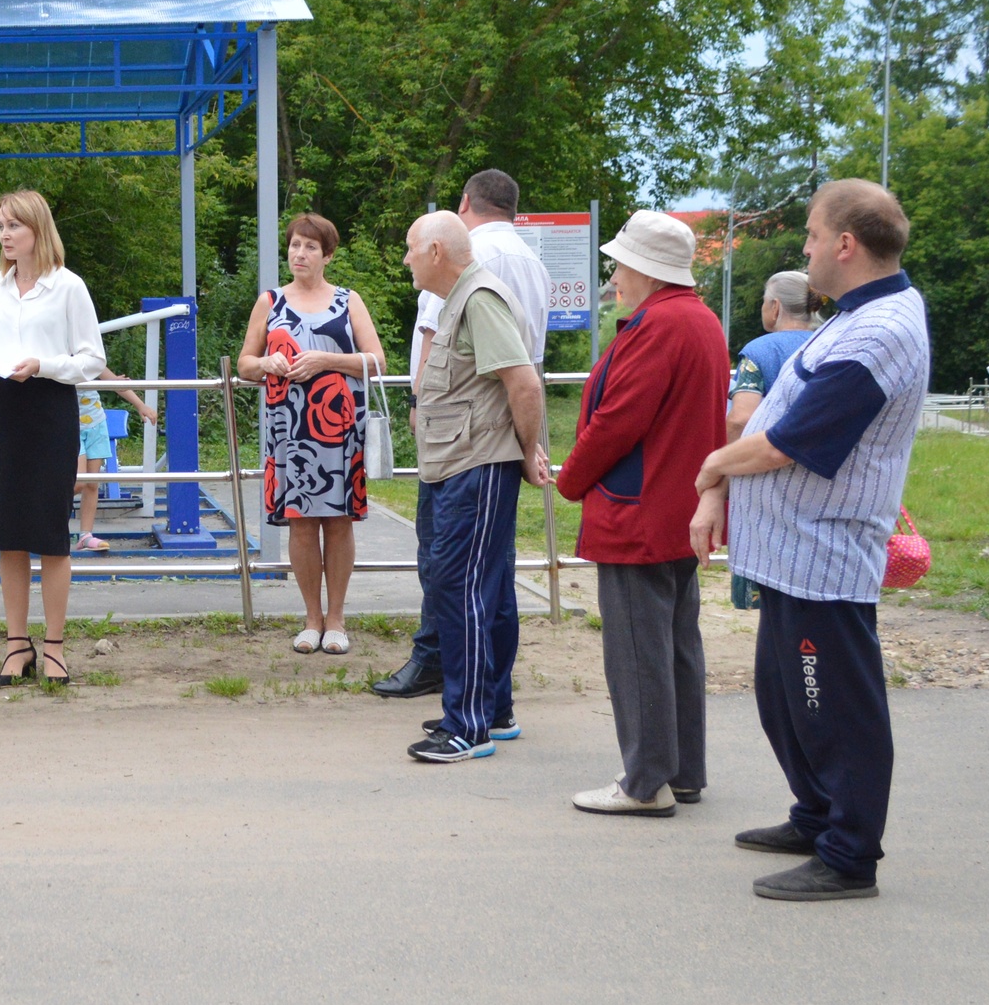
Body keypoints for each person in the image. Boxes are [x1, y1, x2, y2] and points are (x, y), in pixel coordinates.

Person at [690, 179, 927, 902]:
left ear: (847, 246)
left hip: (823, 554)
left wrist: (713, 467)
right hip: (790, 551)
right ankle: (817, 813)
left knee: (834, 706)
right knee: (784, 696)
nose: (807, 249)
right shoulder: (853, 316)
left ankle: (850, 853)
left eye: (814, 237)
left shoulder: (881, 331)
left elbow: (793, 440)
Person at [556, 212, 727, 815]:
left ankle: (645, 781)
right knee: (677, 643)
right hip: (679, 509)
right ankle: (681, 770)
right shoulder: (700, 319)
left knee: (636, 649)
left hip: (637, 509)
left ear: (646, 270)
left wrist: (570, 479)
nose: (615, 274)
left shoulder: (657, 325)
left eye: (621, 263)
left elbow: (619, 420)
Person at [374, 169, 551, 713]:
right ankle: (491, 710)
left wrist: (525, 450)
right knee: (486, 587)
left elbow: (522, 380)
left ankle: (467, 718)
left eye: (409, 249)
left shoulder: (475, 291)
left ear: (434, 249)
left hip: (473, 460)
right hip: (468, 455)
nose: (405, 260)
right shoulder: (525, 266)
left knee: (460, 587)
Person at [0, 190, 106, 688]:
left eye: (13, 226)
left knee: (50, 533)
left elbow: (91, 359)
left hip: (49, 408)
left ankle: (54, 647)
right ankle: (14, 645)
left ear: (37, 230)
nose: (4, 235)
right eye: (0, 226)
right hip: (2, 408)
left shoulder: (68, 287)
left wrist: (43, 366)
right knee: (6, 531)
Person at [238, 213, 386, 655]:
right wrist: (265, 364)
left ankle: (337, 619)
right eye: (295, 245)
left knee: (339, 524)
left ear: (328, 255)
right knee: (301, 525)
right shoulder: (270, 302)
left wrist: (326, 361)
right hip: (290, 428)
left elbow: (377, 360)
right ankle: (311, 619)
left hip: (340, 428)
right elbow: (245, 361)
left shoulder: (347, 300)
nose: (299, 254)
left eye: (310, 247)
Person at [726, 270, 818, 611]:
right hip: (821, 480)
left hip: (767, 482)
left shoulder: (760, 350)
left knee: (774, 600)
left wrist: (726, 467)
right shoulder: (831, 340)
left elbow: (741, 418)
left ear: (775, 307)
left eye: (765, 301)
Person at [70, 371, 158, 555]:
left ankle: (85, 535)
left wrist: (140, 405)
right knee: (78, 483)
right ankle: (49, 523)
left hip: (96, 423)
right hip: (69, 424)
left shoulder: (90, 356)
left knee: (92, 483)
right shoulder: (57, 355)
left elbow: (114, 381)